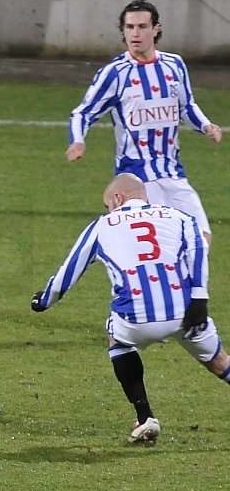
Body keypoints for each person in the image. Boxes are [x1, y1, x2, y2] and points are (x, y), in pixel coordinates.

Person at [30, 173, 230, 444]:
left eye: (107, 204)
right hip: (188, 311)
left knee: (116, 337)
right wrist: (200, 298)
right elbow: (199, 250)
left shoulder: (102, 225)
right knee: (221, 364)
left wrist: (44, 301)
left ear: (118, 198)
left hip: (136, 318)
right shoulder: (179, 216)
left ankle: (145, 416)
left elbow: (69, 270)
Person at [67, 0, 222, 249]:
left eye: (141, 26)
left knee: (202, 241)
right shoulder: (115, 72)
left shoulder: (174, 65)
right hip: (138, 177)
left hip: (173, 173)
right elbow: (82, 113)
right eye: (129, 27)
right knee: (159, 245)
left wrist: (205, 126)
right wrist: (77, 141)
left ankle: (185, 288)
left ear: (156, 29)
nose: (135, 33)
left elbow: (186, 106)